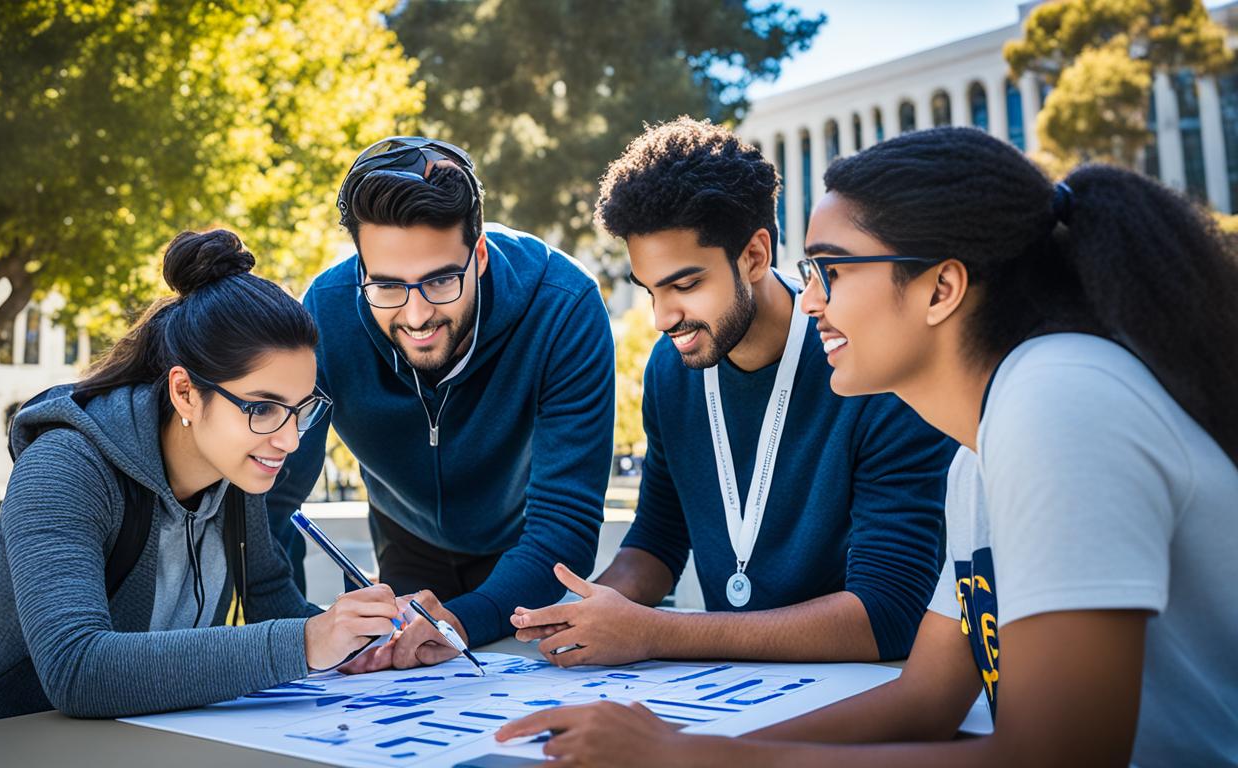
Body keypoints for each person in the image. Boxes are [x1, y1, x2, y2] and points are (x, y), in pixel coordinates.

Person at [495, 127, 1238, 766]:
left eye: (833, 271)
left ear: (941, 288)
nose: (810, 296)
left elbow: (1054, 757)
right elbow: (922, 701)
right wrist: (676, 744)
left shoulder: (1060, 398)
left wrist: (691, 756)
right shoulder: (982, 452)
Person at [0, 230, 400, 735]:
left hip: (121, 742)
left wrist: (373, 642)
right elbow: (77, 669)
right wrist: (307, 642)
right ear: (184, 392)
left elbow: (273, 599)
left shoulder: (233, 475)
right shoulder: (64, 468)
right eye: (263, 408)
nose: (289, 440)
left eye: (300, 410)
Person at [510, 118, 954, 668]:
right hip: (728, 694)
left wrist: (657, 633)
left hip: (860, 690)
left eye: (686, 285)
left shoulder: (871, 368)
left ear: (754, 256)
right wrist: (584, 611)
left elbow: (888, 612)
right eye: (650, 290)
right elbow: (657, 539)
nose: (661, 318)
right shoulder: (671, 370)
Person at [265, 136, 615, 668]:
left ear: (478, 255)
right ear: (360, 268)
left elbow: (565, 518)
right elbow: (270, 496)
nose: (416, 314)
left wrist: (466, 619)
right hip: (405, 544)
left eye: (439, 281)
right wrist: (295, 628)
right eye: (386, 285)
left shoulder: (564, 307)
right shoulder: (326, 315)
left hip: (527, 554)